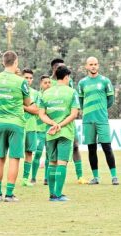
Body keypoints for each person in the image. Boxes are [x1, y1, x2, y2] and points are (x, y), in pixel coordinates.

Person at [0, 51, 32, 202]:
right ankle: (9, 194)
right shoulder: (20, 81)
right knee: (14, 159)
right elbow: (28, 103)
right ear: (16, 63)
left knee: (0, 158)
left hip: (0, 122)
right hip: (16, 123)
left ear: (3, 62)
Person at [39, 65, 80, 202]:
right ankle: (58, 194)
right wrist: (60, 125)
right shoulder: (71, 92)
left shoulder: (46, 93)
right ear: (67, 77)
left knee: (52, 163)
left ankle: (52, 194)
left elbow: (41, 115)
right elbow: (74, 114)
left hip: (50, 132)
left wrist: (52, 123)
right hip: (65, 132)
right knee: (62, 163)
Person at [78, 57, 119, 185]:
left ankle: (114, 176)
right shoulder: (82, 83)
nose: (93, 66)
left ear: (98, 66)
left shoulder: (105, 81)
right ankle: (96, 177)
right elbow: (80, 101)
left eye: (95, 64)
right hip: (88, 120)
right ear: (86, 66)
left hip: (102, 119)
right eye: (91, 64)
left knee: (107, 147)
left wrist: (101, 109)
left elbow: (111, 100)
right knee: (91, 149)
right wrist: (88, 110)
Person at [50, 59, 84, 183]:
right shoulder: (48, 83)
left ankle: (80, 176)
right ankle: (49, 180)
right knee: (52, 154)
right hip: (53, 124)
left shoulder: (68, 84)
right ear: (54, 69)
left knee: (75, 147)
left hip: (68, 122)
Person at [31, 75, 51, 184]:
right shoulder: (37, 96)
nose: (47, 84)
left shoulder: (53, 96)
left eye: (49, 82)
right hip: (39, 130)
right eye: (45, 83)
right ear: (41, 84)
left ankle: (46, 178)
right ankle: (33, 178)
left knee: (49, 155)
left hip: (49, 130)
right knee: (38, 153)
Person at [21, 68, 39, 187]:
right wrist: (30, 108)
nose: (28, 80)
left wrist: (24, 107)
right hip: (19, 125)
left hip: (31, 126)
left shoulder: (36, 93)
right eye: (26, 77)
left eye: (30, 78)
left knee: (29, 152)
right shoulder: (18, 90)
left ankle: (25, 179)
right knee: (15, 154)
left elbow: (37, 110)